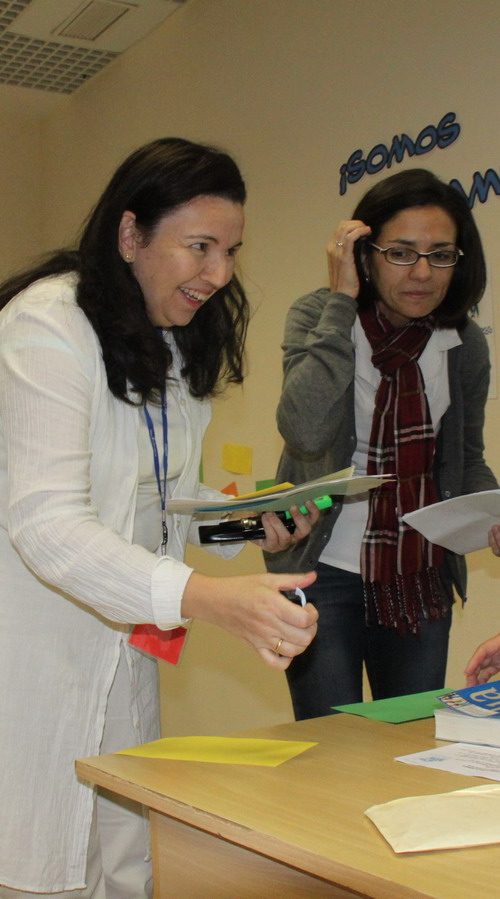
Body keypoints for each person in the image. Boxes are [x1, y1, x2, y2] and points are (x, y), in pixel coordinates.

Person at [0, 137, 319, 898]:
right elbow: (46, 523)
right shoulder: (46, 326)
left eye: (231, 251)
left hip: (125, 648)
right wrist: (207, 599)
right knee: (45, 865)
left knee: (128, 857)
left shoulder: (170, 345)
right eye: (199, 246)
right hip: (38, 649)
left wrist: (249, 523)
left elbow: (159, 500)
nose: (220, 273)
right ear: (130, 234)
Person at [265, 167, 498, 720]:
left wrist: (493, 510)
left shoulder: (463, 342)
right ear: (365, 256)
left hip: (418, 576)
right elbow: (305, 430)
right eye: (400, 253)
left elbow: (465, 458)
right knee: (328, 742)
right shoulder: (319, 316)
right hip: (323, 571)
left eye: (441, 255)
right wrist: (341, 299)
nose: (422, 272)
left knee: (407, 741)